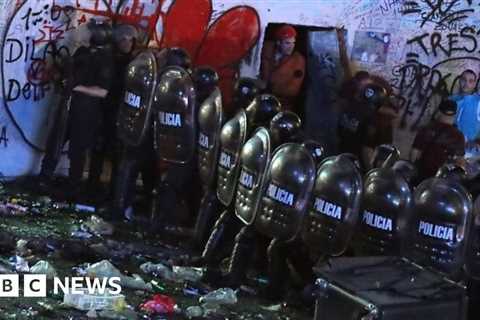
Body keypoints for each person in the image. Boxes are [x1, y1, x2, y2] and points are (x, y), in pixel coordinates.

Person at [37, 21, 114, 199]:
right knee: (55, 142)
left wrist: (77, 87)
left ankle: (72, 187)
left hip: (86, 110)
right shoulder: (82, 52)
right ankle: (44, 178)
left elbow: (103, 91)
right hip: (68, 104)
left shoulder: (105, 59)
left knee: (78, 150)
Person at [88, 24, 138, 199]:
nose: (127, 43)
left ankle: (114, 193)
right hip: (106, 109)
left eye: (130, 40)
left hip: (122, 112)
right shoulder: (109, 58)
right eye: (124, 39)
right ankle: (92, 187)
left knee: (117, 155)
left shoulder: (134, 63)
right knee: (99, 149)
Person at [410, 100, 465, 183]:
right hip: (440, 182)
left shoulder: (427, 128)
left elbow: (413, 154)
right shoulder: (459, 136)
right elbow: (460, 163)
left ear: (439, 112)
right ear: (455, 115)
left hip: (419, 177)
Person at [260, 24, 305, 113]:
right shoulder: (266, 51)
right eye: (287, 43)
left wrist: (268, 87)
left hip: (283, 106)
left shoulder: (298, 60)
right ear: (278, 42)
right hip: (261, 101)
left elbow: (292, 90)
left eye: (293, 43)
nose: (291, 47)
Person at [451, 69, 480, 155]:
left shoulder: (478, 103)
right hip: (449, 147)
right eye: (464, 80)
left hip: (468, 153)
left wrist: (477, 142)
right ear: (460, 81)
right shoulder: (451, 99)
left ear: (474, 84)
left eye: (470, 81)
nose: (466, 84)